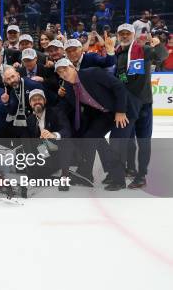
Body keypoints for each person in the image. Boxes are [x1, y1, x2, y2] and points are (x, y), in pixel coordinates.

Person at [55, 58, 134, 191]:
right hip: (104, 115)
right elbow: (69, 105)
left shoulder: (92, 73)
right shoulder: (67, 87)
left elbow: (119, 87)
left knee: (116, 143)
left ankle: (119, 180)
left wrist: (121, 111)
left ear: (73, 67)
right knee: (90, 138)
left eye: (65, 69)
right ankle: (95, 172)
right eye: (60, 72)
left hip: (124, 111)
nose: (64, 73)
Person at [113, 23, 168, 188]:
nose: (124, 36)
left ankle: (142, 175)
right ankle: (130, 168)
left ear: (133, 35)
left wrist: (158, 45)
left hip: (143, 105)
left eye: (127, 33)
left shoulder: (143, 49)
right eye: (121, 33)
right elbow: (121, 78)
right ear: (118, 35)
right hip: (128, 107)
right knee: (129, 141)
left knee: (144, 141)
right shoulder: (118, 53)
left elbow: (162, 56)